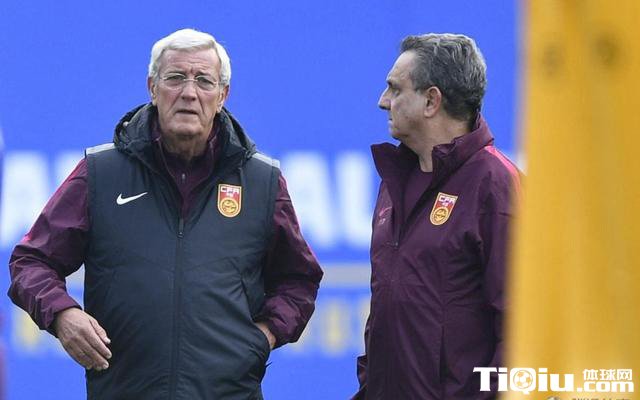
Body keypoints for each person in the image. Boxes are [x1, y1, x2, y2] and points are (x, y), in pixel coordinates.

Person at [8, 28, 322, 399]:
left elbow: (299, 279)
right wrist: (63, 315)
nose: (189, 92)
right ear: (152, 88)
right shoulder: (102, 172)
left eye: (204, 80)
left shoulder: (260, 181)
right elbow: (31, 262)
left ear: (222, 96)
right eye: (175, 78)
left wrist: (262, 338)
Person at [353, 33, 521, 399]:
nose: (383, 101)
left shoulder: (496, 186)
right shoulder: (395, 181)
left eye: (395, 89)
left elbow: (523, 329)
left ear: (431, 100)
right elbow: (387, 305)